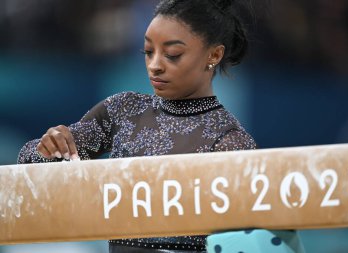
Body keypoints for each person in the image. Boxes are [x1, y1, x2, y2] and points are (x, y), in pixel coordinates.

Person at [18, 0, 257, 252]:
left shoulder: (229, 142)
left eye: (172, 54)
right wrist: (48, 148)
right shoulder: (124, 111)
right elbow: (28, 170)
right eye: (148, 52)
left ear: (214, 55)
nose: (155, 65)